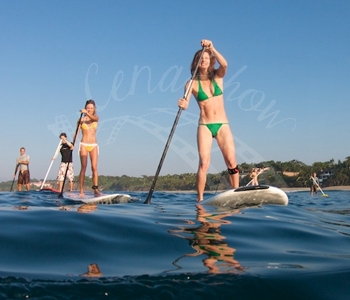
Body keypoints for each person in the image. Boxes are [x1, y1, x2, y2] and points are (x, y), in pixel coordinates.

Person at [178, 39, 239, 202]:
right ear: (196, 62)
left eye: (206, 58)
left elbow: (225, 65)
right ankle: (200, 199)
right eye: (200, 58)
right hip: (204, 125)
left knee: (231, 161)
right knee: (204, 163)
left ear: (210, 60)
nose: (203, 60)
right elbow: (186, 105)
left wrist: (212, 48)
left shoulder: (218, 77)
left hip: (222, 124)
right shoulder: (191, 83)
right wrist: (183, 104)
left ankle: (236, 193)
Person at [77, 99, 101, 197]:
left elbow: (95, 119)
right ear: (85, 107)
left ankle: (95, 189)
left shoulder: (96, 117)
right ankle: (81, 190)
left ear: (94, 109)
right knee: (84, 167)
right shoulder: (81, 120)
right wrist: (72, 144)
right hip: (83, 144)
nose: (89, 109)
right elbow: (77, 132)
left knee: (94, 167)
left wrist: (86, 113)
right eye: (88, 108)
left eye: (91, 108)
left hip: (94, 145)